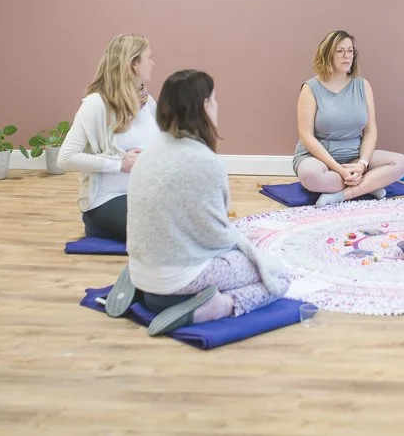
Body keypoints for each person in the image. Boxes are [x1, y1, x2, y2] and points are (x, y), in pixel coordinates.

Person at [106, 69, 291, 336]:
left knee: (246, 259)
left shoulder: (148, 152)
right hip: (178, 274)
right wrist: (248, 247)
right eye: (214, 100)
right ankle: (221, 306)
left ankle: (148, 291)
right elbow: (216, 237)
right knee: (277, 275)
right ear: (204, 105)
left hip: (142, 265)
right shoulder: (206, 162)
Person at [57, 34, 160, 242]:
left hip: (144, 194)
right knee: (162, 234)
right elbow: (65, 158)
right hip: (107, 199)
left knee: (188, 220)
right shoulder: (96, 104)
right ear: (133, 64)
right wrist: (120, 163)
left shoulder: (146, 102)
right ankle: (100, 225)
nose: (153, 63)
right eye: (148, 58)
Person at [293, 30, 404, 208]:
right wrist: (339, 169)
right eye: (340, 51)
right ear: (327, 55)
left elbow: (370, 131)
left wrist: (363, 164)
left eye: (350, 51)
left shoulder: (362, 85)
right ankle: (369, 185)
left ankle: (343, 194)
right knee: (311, 176)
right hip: (318, 158)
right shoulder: (311, 88)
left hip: (354, 156)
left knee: (403, 163)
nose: (346, 56)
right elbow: (306, 136)